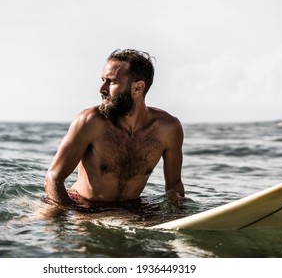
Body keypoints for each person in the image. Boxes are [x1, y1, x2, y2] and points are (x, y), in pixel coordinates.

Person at [42, 49, 184, 212]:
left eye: (112, 82)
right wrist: (71, 213)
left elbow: (174, 186)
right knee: (33, 224)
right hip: (81, 204)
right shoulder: (90, 122)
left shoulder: (168, 129)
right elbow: (53, 178)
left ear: (138, 88)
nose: (102, 89)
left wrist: (179, 217)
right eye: (103, 80)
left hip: (131, 208)